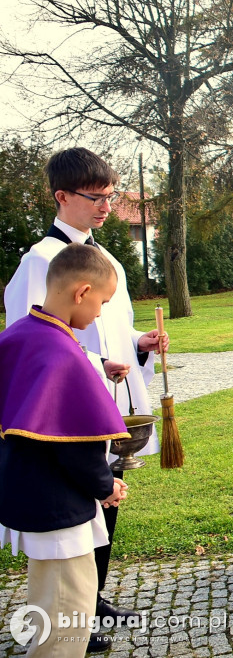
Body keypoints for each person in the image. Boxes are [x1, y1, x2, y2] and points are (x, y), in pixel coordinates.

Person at [4, 148, 168, 647]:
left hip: (107, 395)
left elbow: (110, 326)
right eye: (95, 197)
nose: (105, 207)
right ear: (62, 196)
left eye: (109, 197)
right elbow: (36, 344)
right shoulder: (40, 261)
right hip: (67, 406)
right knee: (80, 498)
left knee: (107, 497)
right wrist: (95, 366)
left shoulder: (105, 260)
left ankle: (91, 598)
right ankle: (74, 610)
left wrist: (138, 344)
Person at [0, 244, 130, 658]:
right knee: (66, 622)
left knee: (48, 604)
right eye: (102, 303)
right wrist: (105, 485)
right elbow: (75, 444)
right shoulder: (60, 352)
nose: (99, 314)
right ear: (82, 292)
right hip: (59, 505)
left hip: (28, 493)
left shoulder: (17, 336)